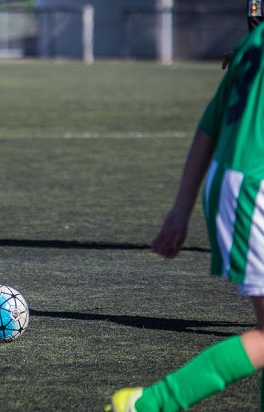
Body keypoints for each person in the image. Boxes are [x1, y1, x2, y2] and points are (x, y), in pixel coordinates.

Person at [106, 24, 264, 411]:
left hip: (236, 183)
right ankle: (149, 405)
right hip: (254, 188)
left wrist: (181, 208)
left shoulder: (254, 40)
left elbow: (207, 129)